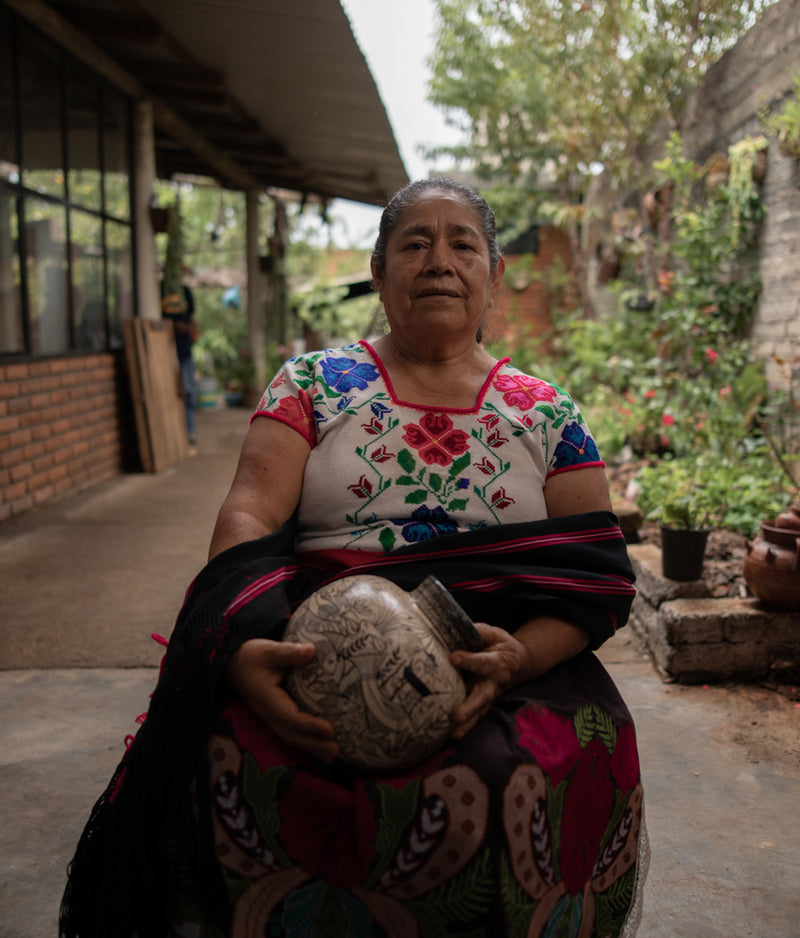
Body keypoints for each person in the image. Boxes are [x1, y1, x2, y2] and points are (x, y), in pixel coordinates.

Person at [61, 179, 646, 938]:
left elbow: (594, 572)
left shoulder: (549, 413)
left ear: (495, 272)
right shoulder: (310, 385)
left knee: (524, 768)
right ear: (377, 271)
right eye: (415, 243)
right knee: (230, 748)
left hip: (502, 662)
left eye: (463, 244)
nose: (439, 261)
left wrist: (520, 657)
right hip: (316, 646)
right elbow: (249, 512)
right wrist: (242, 642)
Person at [161, 280, 198, 445]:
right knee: (167, 394)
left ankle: (189, 431)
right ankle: (171, 434)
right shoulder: (160, 290)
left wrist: (187, 327)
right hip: (163, 354)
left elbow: (192, 318)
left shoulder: (185, 291)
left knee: (189, 393)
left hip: (184, 352)